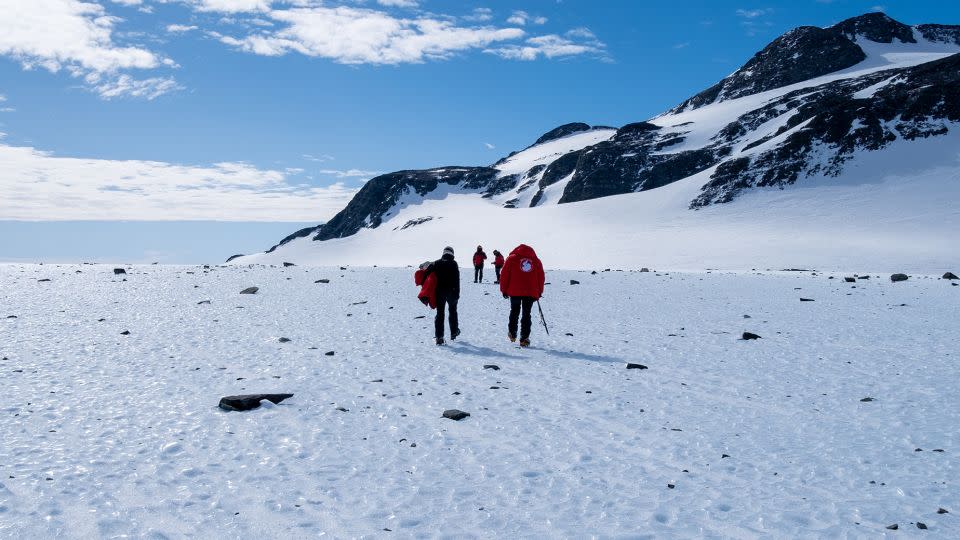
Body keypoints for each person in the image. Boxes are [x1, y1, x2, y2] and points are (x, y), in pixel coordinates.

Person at [499, 244, 545, 347]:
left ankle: (512, 333)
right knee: (526, 314)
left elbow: (504, 275)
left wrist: (504, 290)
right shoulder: (536, 261)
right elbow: (541, 277)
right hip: (530, 292)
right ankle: (524, 338)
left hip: (514, 291)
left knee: (514, 311)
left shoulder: (511, 259)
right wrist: (539, 292)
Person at [422, 246, 460, 345]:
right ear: (452, 253)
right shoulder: (454, 264)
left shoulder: (436, 263)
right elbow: (457, 280)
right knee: (453, 312)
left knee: (440, 314)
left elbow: (426, 274)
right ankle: (454, 332)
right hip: (452, 292)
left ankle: (439, 337)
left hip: (440, 292)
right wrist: (457, 294)